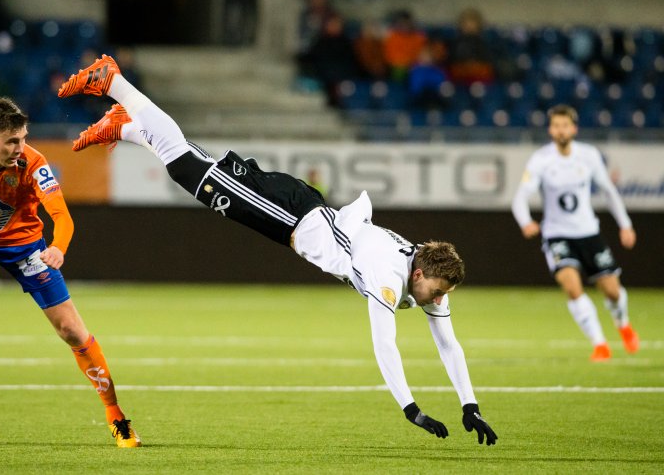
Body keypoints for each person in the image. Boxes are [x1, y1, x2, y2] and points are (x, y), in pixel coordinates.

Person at [58, 55, 499, 446]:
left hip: (297, 216)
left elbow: (449, 346)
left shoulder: (428, 267)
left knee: (193, 168)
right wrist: (411, 408)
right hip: (292, 214)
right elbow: (385, 344)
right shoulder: (388, 276)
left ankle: (127, 128)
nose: (439, 301)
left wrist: (470, 405)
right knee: (188, 167)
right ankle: (114, 82)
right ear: (419, 274)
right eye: (437, 292)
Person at [0, 97, 140, 449]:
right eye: (12, 141)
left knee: (73, 332)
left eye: (23, 138)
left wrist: (57, 249)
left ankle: (116, 417)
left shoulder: (34, 164)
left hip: (27, 249)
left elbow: (63, 217)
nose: (21, 148)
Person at [512, 104, 639, 361]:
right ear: (550, 129)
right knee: (571, 287)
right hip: (557, 235)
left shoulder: (589, 155)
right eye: (556, 125)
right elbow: (520, 197)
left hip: (589, 233)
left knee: (613, 291)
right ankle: (600, 344)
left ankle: (622, 324)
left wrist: (625, 224)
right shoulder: (541, 159)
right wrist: (526, 221)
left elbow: (609, 191)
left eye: (565, 125)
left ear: (574, 128)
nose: (560, 130)